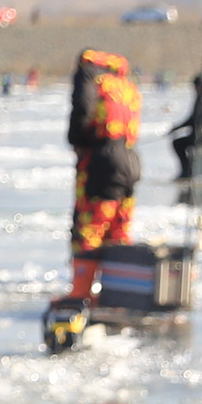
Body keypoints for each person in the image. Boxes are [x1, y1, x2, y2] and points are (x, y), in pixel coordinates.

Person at [61, 48, 142, 298]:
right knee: (119, 227)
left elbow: (83, 111)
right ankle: (120, 291)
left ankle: (80, 294)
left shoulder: (90, 76)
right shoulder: (125, 83)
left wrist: (76, 139)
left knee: (89, 227)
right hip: (129, 159)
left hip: (100, 160)